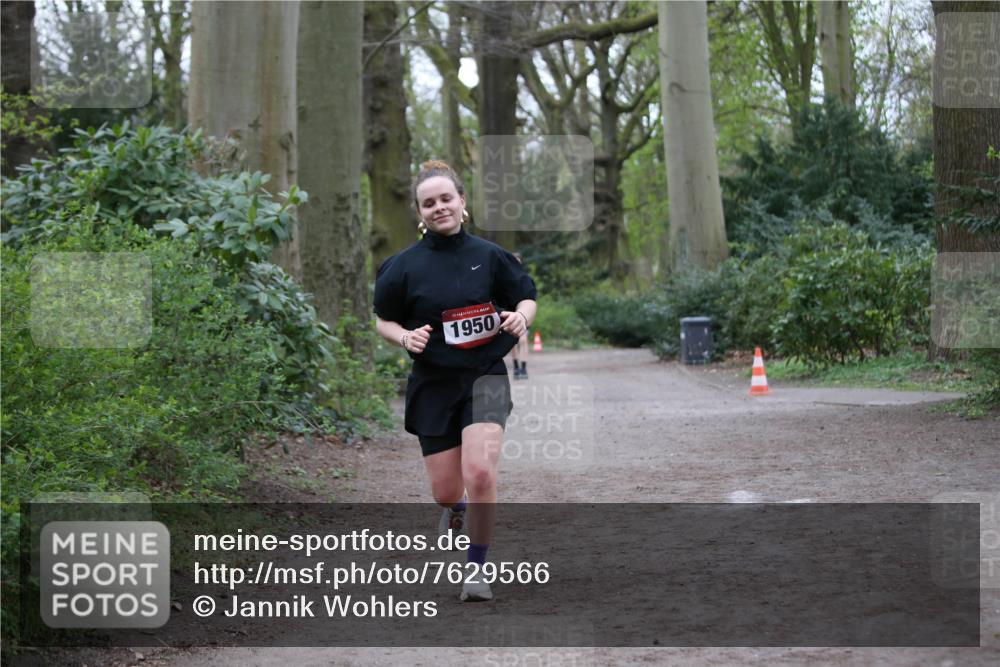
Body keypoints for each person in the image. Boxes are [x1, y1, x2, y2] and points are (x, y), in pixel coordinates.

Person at [373, 160, 537, 602]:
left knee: (481, 470)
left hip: (484, 376)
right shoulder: (401, 267)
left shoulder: (489, 256)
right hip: (433, 383)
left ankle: (476, 569)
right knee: (446, 490)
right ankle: (457, 509)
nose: (439, 207)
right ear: (419, 212)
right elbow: (383, 320)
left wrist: (521, 317)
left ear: (462, 203)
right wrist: (405, 335)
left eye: (446, 199)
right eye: (429, 203)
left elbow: (526, 294)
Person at [510, 252, 530, 380]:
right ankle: (516, 367)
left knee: (523, 340)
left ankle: (523, 367)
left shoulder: (525, 278)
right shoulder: (504, 278)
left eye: (518, 261)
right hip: (510, 315)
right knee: (512, 343)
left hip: (523, 314)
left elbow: (530, 298)